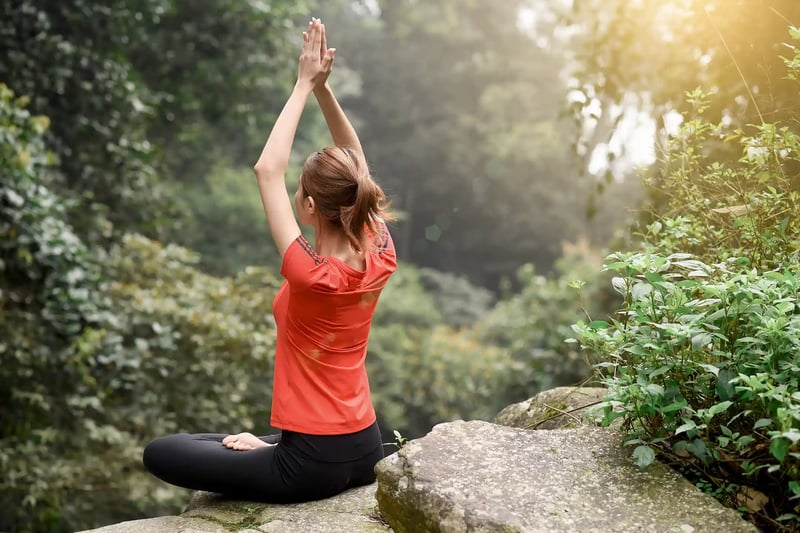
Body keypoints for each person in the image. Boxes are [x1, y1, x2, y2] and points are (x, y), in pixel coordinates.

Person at [142, 17, 397, 503]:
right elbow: (355, 164)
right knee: (232, 442)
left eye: (299, 193)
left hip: (307, 467)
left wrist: (304, 83)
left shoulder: (311, 273)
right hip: (365, 446)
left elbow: (266, 168)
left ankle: (275, 448)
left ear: (306, 207)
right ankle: (273, 444)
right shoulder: (379, 249)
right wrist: (324, 90)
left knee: (165, 450)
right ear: (356, 201)